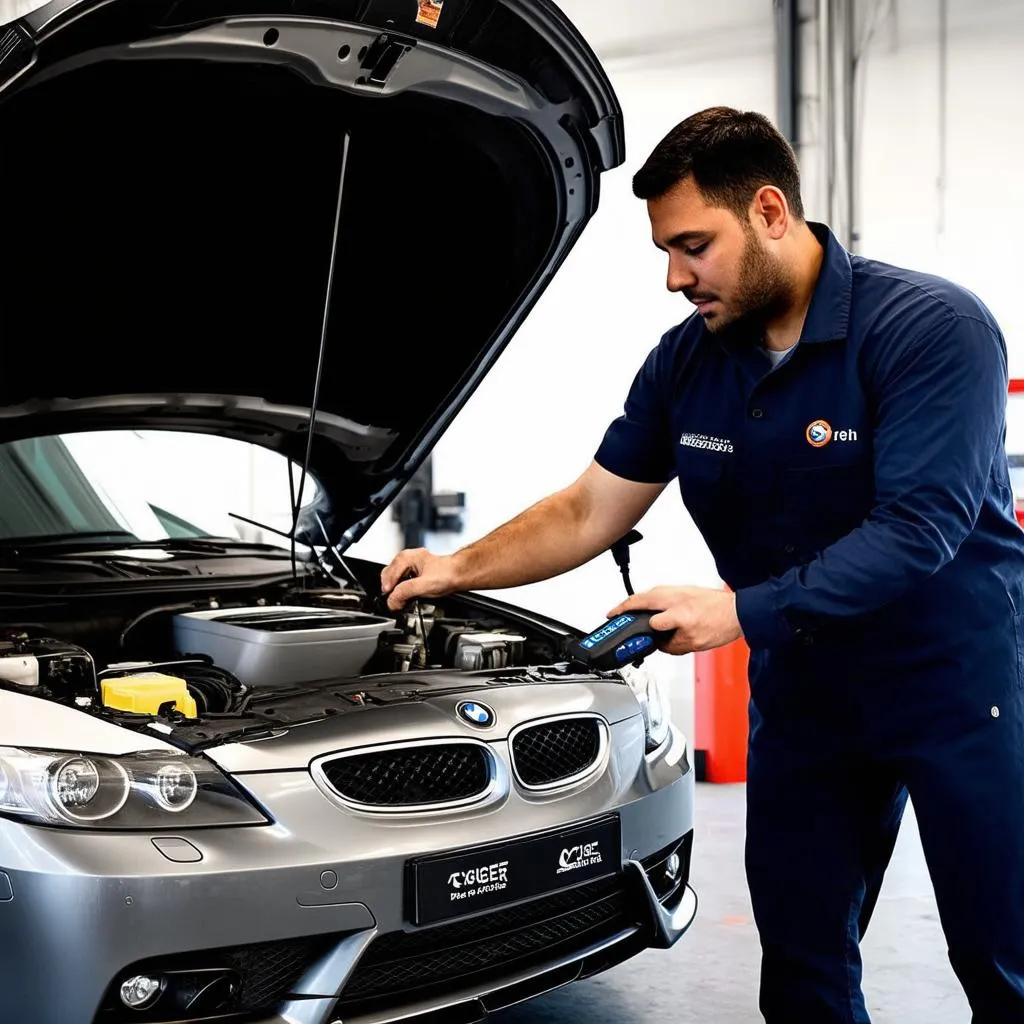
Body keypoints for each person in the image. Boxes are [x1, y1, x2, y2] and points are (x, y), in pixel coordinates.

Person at [379, 106, 1024, 1022]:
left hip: (961, 693)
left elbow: (922, 526)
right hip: (809, 704)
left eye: (693, 247)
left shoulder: (930, 328)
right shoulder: (688, 362)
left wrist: (734, 612)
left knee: (1001, 958)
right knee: (802, 971)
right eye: (664, 254)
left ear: (768, 212)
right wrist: (457, 570)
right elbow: (589, 508)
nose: (675, 278)